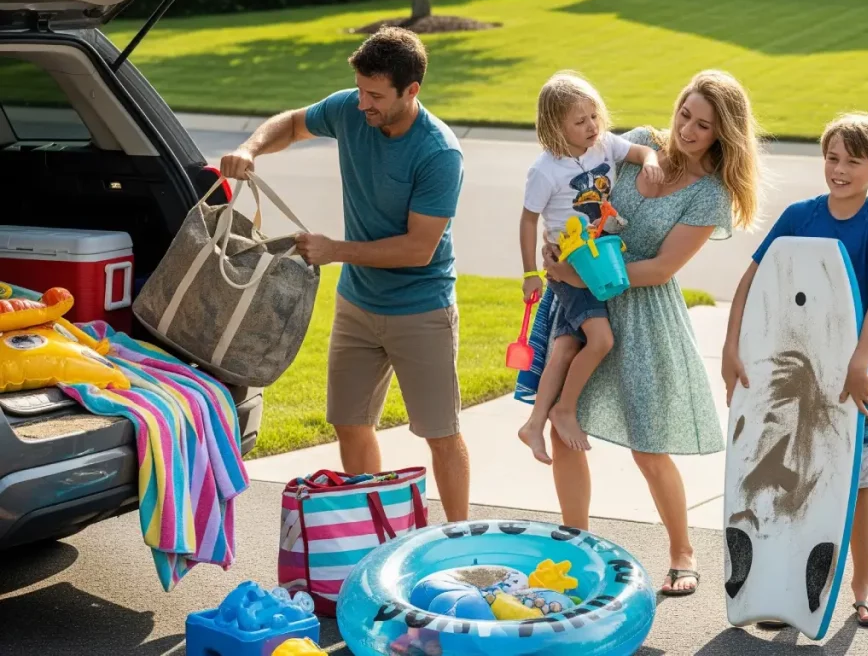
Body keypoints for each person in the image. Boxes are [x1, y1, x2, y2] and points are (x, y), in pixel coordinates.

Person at [219, 27, 470, 522]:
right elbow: (292, 124)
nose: (362, 104)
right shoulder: (352, 110)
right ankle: (372, 530)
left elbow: (419, 249)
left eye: (375, 95)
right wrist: (251, 148)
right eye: (359, 89)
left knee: (440, 433)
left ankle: (458, 538)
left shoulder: (439, 153)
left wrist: (336, 250)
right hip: (358, 305)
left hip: (421, 309)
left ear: (411, 91)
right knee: (350, 424)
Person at [539, 69, 764, 596]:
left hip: (642, 315)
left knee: (648, 444)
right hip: (582, 302)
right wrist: (558, 247)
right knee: (563, 423)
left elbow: (662, 268)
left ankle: (682, 551)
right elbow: (579, 193)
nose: (687, 130)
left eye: (703, 125)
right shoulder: (638, 144)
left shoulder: (710, 196)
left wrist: (583, 274)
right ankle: (575, 546)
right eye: (685, 114)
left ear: (722, 133)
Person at [721, 111, 868, 627]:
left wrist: (859, 364)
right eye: (832, 157)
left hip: (852, 382)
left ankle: (862, 585)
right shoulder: (800, 215)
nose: (839, 169)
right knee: (786, 476)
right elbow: (752, 280)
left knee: (854, 484)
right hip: (788, 380)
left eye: (852, 161)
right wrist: (732, 347)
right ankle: (782, 582)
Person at [517, 71, 665, 464]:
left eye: (594, 117)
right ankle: (564, 410)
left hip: (599, 260)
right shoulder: (545, 171)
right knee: (600, 341)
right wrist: (531, 273)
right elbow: (528, 219)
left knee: (566, 346)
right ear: (555, 126)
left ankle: (534, 423)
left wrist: (650, 159)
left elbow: (638, 153)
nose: (591, 126)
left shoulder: (603, 145)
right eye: (579, 122)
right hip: (569, 265)